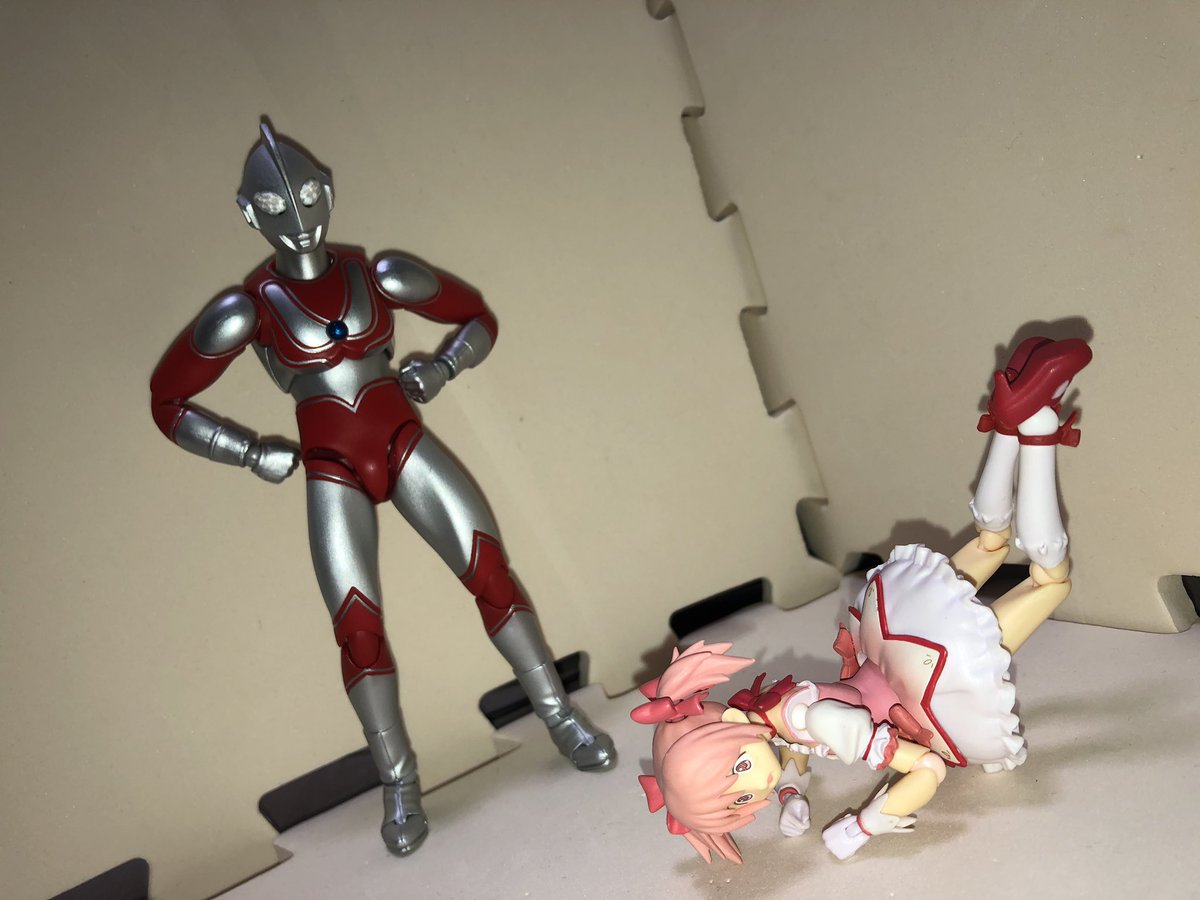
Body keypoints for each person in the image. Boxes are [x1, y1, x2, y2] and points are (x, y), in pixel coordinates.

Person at [150, 122, 615, 856]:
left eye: (308, 194)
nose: (297, 214)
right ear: (249, 212)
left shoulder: (380, 275)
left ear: (328, 190)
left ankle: (559, 716)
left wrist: (446, 365)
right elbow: (168, 402)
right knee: (359, 633)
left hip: (403, 442)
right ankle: (399, 782)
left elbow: (477, 318)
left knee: (492, 576)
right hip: (331, 466)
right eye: (275, 203)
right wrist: (246, 451)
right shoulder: (248, 309)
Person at [632, 337, 1092, 862]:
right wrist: (790, 794)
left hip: (929, 673)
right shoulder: (761, 712)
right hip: (889, 633)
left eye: (739, 774)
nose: (753, 788)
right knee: (992, 543)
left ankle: (1038, 431)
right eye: (740, 798)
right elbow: (790, 746)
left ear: (733, 729)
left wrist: (862, 826)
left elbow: (926, 769)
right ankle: (1010, 422)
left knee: (1050, 582)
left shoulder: (808, 722)